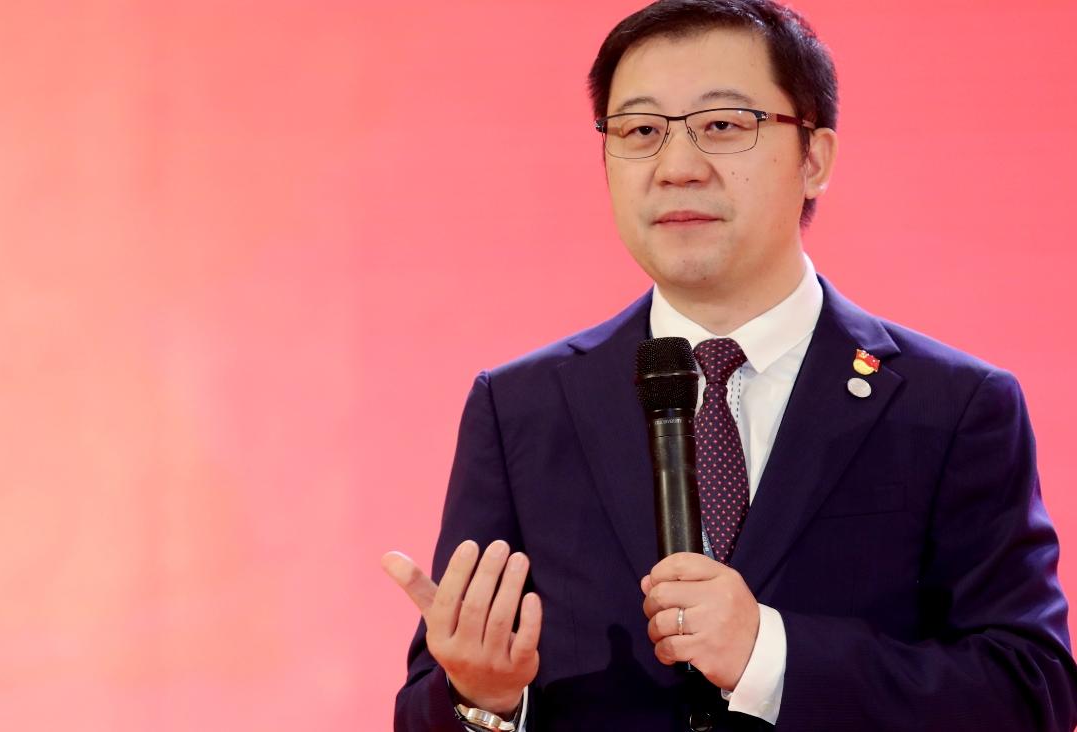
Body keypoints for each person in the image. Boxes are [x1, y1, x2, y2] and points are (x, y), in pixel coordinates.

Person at [382, 1, 1077, 730]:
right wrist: (483, 699)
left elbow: (1031, 692)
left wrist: (768, 655)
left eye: (722, 125)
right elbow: (431, 703)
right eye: (641, 131)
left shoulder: (953, 406)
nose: (677, 168)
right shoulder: (523, 408)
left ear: (814, 158)